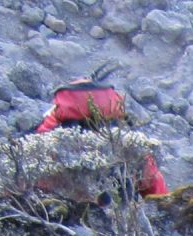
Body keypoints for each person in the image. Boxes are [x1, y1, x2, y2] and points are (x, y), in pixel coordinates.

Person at [34, 80, 167, 197]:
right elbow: (154, 183)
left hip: (65, 207)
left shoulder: (55, 121)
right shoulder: (124, 137)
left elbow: (36, 160)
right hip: (119, 205)